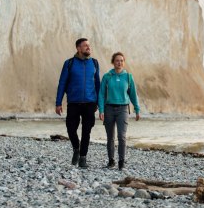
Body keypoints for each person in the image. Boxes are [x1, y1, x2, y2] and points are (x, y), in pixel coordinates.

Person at [55, 38, 101, 167]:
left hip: (90, 103)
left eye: (89, 45)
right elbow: (62, 83)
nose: (88, 47)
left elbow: (98, 84)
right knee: (70, 128)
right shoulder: (69, 63)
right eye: (85, 45)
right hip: (74, 103)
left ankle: (83, 158)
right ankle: (76, 147)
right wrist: (58, 103)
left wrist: (99, 103)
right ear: (78, 48)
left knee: (86, 131)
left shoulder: (95, 63)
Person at [98, 51, 140, 170]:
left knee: (122, 136)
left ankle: (122, 161)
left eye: (122, 60)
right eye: (117, 60)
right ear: (113, 62)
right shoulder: (107, 76)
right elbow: (101, 94)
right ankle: (111, 161)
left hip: (123, 110)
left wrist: (137, 109)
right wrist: (101, 110)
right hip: (109, 109)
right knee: (110, 137)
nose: (119, 63)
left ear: (124, 62)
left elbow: (133, 94)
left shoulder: (128, 77)